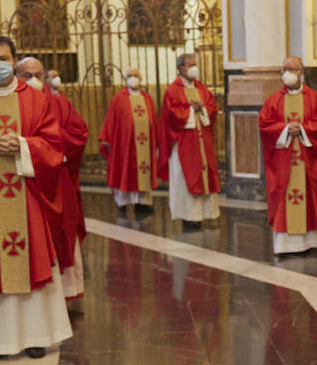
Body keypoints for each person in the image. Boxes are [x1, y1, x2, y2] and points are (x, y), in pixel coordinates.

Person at [0, 34, 72, 358]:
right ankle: (1, 342)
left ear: (14, 59)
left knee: (33, 257)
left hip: (27, 196)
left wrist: (23, 146)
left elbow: (53, 144)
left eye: (3, 58)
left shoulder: (37, 100)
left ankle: (37, 336)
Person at [19, 57, 89, 302]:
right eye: (27, 75)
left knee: (62, 230)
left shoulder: (58, 102)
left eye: (39, 74)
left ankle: (66, 291)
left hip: (58, 180)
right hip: (24, 184)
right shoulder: (12, 106)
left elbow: (79, 132)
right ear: (17, 76)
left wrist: (54, 147)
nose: (34, 80)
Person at [257, 56, 317, 254]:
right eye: (284, 68)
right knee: (286, 197)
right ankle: (288, 245)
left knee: (311, 194)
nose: (287, 73)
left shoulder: (316, 99)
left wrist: (302, 129)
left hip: (308, 160)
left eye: (292, 69)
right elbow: (265, 125)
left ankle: (313, 242)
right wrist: (285, 129)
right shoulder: (273, 100)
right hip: (284, 162)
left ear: (301, 72)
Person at [160, 51, 220, 230]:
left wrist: (202, 109)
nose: (195, 68)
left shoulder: (201, 88)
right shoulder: (173, 90)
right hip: (184, 143)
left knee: (204, 174)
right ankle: (189, 216)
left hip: (202, 141)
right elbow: (170, 116)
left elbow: (213, 108)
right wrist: (189, 111)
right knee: (186, 177)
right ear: (180, 68)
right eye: (191, 65)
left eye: (195, 65)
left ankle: (205, 213)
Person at [100, 66, 162, 218]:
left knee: (143, 172)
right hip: (124, 146)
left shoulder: (147, 98)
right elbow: (111, 121)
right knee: (125, 170)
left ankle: (143, 202)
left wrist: (157, 141)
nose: (133, 78)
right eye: (130, 75)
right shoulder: (118, 99)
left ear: (141, 79)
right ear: (125, 79)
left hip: (145, 145)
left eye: (136, 75)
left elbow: (154, 121)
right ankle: (123, 202)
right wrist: (107, 139)